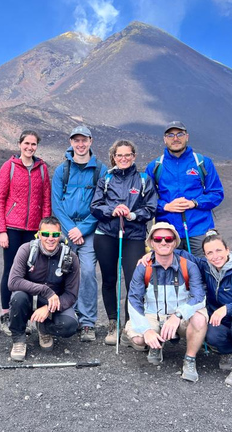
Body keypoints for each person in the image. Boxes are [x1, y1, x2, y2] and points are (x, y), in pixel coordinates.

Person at [177, 231, 232, 386]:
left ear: (227, 250)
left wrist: (228, 308)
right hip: (223, 323)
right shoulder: (207, 268)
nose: (215, 256)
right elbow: (183, 255)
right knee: (209, 331)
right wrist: (152, 253)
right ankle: (227, 352)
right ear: (205, 255)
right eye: (209, 253)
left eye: (218, 250)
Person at [90, 139, 156, 346]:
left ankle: (130, 325)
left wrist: (133, 215)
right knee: (109, 280)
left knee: (133, 281)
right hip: (106, 234)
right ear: (114, 157)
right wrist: (113, 210)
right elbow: (95, 206)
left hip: (134, 236)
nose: (124, 158)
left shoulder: (143, 180)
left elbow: (151, 208)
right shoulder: (106, 179)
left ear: (134, 156)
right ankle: (113, 323)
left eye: (128, 155)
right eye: (120, 155)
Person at [125, 223, 207, 382]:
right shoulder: (143, 267)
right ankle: (155, 345)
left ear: (175, 242)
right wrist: (146, 330)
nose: (163, 242)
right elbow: (134, 300)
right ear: (151, 243)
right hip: (153, 315)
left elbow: (199, 297)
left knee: (200, 318)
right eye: (158, 239)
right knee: (139, 339)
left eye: (168, 239)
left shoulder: (188, 266)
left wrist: (178, 315)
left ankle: (190, 359)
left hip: (180, 317)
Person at [51, 126, 107, 342]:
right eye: (76, 140)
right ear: (71, 142)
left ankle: (87, 322)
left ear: (90, 141)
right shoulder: (62, 170)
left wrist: (82, 229)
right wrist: (71, 230)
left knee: (88, 272)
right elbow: (57, 204)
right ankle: (64, 316)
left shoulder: (100, 170)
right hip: (66, 230)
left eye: (84, 140)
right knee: (60, 272)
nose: (80, 144)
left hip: (89, 230)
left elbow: (102, 204)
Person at [0, 130, 52, 335]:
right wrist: (1, 230)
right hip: (12, 228)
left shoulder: (42, 169)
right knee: (10, 270)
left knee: (31, 273)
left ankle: (23, 317)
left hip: (34, 231)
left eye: (33, 144)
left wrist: (45, 231)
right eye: (26, 143)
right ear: (19, 144)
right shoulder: (9, 167)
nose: (29, 147)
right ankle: (6, 314)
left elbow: (46, 201)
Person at [145, 121, 224, 257]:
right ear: (165, 139)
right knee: (170, 269)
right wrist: (166, 206)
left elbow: (217, 193)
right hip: (168, 232)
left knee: (204, 267)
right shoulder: (155, 166)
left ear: (187, 136)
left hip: (199, 229)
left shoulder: (202, 162)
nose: (175, 138)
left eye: (180, 134)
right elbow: (147, 200)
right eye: (171, 135)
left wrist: (195, 203)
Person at [7, 216, 80, 361]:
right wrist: (45, 291)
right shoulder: (26, 250)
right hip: (28, 299)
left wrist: (48, 308)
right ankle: (18, 339)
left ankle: (44, 327)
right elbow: (13, 282)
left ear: (60, 236)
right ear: (39, 234)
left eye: (55, 235)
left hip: (53, 303)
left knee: (70, 325)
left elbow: (71, 294)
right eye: (46, 234)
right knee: (18, 297)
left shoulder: (71, 257)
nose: (50, 238)